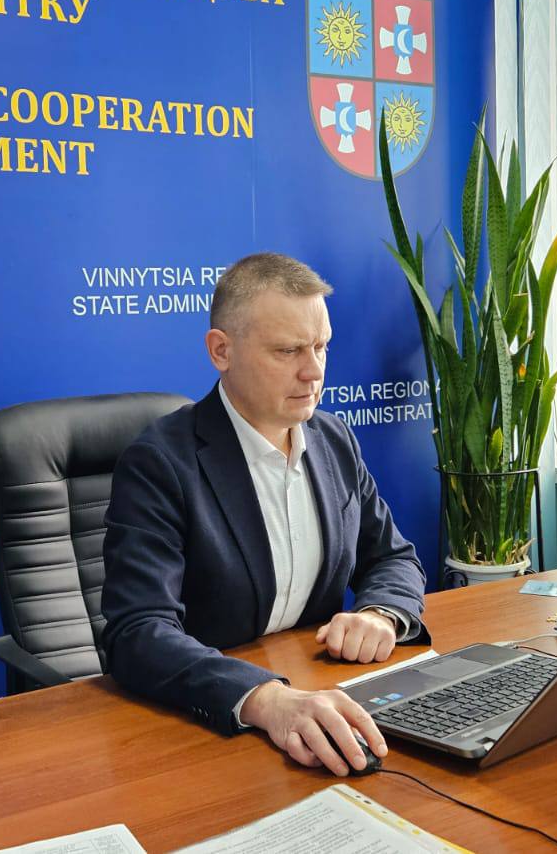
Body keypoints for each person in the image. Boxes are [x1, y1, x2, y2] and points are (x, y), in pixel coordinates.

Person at [101, 253, 428, 777]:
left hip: (320, 701)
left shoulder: (333, 439)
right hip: (205, 729)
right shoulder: (160, 462)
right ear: (221, 351)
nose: (313, 370)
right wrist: (266, 699)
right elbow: (138, 632)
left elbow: (393, 557)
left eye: (321, 346)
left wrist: (379, 615)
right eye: (288, 350)